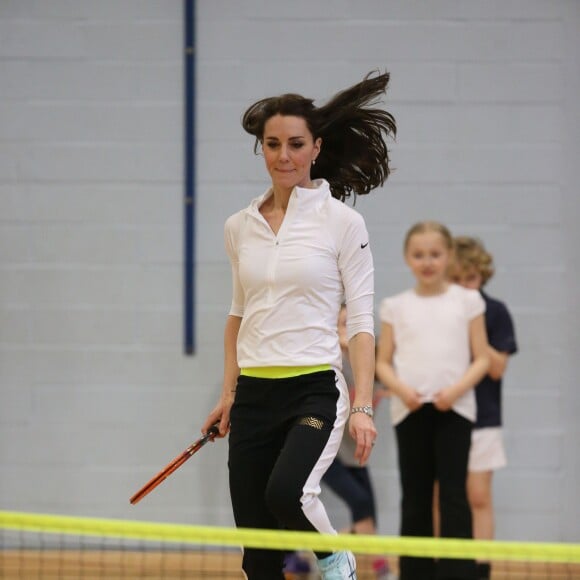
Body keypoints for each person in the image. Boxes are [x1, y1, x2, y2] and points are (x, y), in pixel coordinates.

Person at [201, 71, 396, 580]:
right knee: (257, 551)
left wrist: (362, 405)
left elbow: (360, 324)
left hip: (313, 390)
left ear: (316, 148)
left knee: (287, 493)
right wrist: (228, 395)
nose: (282, 155)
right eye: (272, 144)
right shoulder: (238, 227)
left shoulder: (342, 223)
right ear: (260, 149)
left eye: (295, 144)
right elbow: (238, 316)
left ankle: (336, 557)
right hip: (254, 395)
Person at [375, 221, 490, 580]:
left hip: (454, 410)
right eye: (419, 255)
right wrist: (402, 390)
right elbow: (382, 360)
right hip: (409, 410)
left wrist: (455, 391)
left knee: (454, 494)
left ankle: (458, 573)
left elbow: (483, 357)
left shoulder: (468, 301)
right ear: (408, 258)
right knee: (415, 494)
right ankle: (415, 572)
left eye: (435, 254)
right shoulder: (395, 306)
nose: (427, 262)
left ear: (449, 256)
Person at [450, 236, 518, 580]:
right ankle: (440, 562)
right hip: (444, 417)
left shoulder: (496, 312)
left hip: (484, 419)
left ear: (482, 277)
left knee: (477, 495)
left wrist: (474, 327)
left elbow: (497, 368)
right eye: (457, 280)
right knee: (441, 497)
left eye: (471, 280)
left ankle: (481, 567)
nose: (464, 287)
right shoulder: (437, 312)